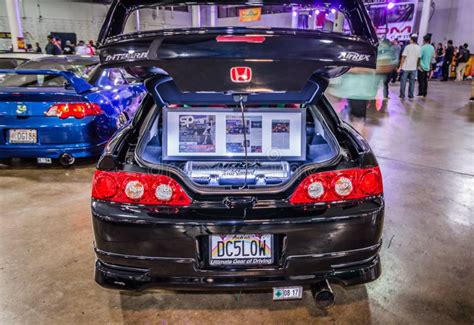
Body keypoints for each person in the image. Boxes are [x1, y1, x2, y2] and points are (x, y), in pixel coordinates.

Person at [398, 33, 421, 99]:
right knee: (412, 82)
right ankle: (411, 95)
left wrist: (400, 66)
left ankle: (402, 95)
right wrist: (417, 66)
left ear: (411, 39)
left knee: (403, 82)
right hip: (413, 68)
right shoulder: (419, 47)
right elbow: (419, 58)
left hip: (405, 67)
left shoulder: (407, 47)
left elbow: (403, 57)